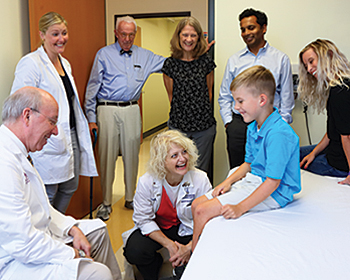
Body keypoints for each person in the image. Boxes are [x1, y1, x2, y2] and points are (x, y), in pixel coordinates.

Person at [0, 86, 121, 280]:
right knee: (99, 273)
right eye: (52, 122)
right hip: (14, 261)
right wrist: (72, 254)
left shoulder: (19, 153)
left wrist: (72, 229)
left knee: (98, 231)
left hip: (35, 239)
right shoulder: (4, 163)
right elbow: (22, 244)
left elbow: (43, 209)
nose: (56, 131)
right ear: (27, 115)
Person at [192, 66, 301, 251]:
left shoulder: (278, 134)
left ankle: (191, 259)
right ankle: (192, 246)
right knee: (196, 204)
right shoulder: (253, 126)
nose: (235, 107)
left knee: (202, 211)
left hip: (275, 192)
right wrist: (225, 183)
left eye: (240, 101)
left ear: (261, 100)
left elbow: (273, 182)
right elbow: (248, 164)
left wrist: (240, 207)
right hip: (255, 179)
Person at [10, 12, 97, 213]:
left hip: (70, 133)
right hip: (45, 138)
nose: (61, 39)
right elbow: (19, 103)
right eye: (55, 34)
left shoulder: (64, 63)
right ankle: (45, 234)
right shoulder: (31, 63)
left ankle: (56, 228)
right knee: (46, 191)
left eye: (64, 33)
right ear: (42, 35)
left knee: (70, 186)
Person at [84, 15, 166, 220]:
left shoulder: (145, 55)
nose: (128, 39)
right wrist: (91, 118)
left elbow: (171, 64)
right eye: (124, 34)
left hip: (131, 108)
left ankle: (130, 197)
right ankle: (106, 202)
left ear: (135, 34)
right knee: (107, 156)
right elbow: (92, 87)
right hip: (107, 109)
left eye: (131, 35)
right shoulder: (103, 54)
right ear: (116, 33)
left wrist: (197, 53)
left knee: (132, 154)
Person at [123, 130, 212, 280]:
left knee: (207, 249)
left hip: (189, 228)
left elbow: (209, 218)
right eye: (174, 155)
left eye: (184, 152)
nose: (182, 158)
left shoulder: (200, 179)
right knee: (135, 251)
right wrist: (170, 245)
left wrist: (189, 247)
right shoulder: (146, 182)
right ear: (161, 161)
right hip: (159, 228)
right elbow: (143, 220)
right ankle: (153, 273)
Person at [218, 8, 294, 169]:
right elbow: (224, 96)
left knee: (268, 169)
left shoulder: (280, 59)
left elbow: (287, 97)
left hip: (269, 123)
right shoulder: (234, 60)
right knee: (238, 170)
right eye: (243, 29)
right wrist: (229, 123)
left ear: (263, 28)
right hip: (239, 125)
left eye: (251, 28)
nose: (246, 33)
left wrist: (281, 124)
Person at [162, 17, 216, 174]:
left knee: (200, 173)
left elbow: (209, 93)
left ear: (199, 37)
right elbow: (171, 96)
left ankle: (199, 200)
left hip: (204, 128)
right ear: (178, 36)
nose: (189, 39)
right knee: (178, 171)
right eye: (185, 35)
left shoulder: (206, 62)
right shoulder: (170, 65)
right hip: (178, 128)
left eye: (193, 35)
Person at [299, 39, 350, 185]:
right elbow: (332, 131)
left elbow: (347, 137)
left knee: (290, 162)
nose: (309, 69)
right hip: (334, 149)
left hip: (339, 163)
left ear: (328, 56)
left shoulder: (340, 93)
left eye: (311, 61)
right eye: (306, 65)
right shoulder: (340, 85)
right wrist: (313, 153)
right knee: (293, 152)